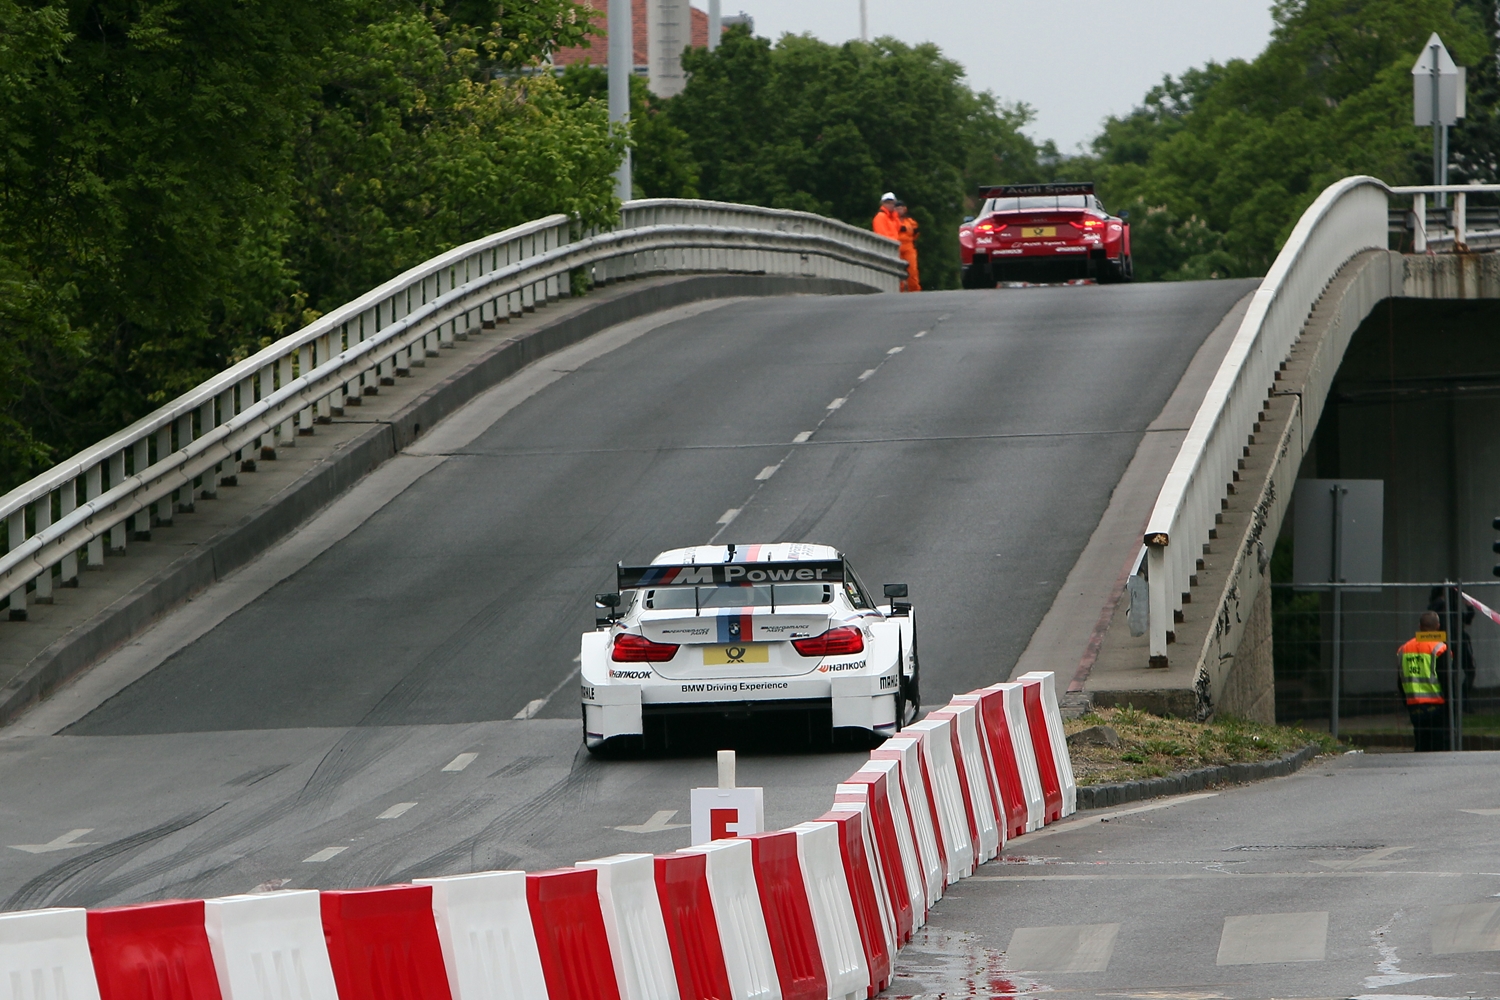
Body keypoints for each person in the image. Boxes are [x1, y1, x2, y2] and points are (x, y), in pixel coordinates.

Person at [1398, 611, 1450, 752]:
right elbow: (1447, 680)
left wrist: (1407, 702)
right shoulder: (1440, 648)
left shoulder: (1404, 649)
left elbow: (1400, 680)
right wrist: (1452, 704)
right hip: (1437, 706)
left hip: (1415, 705)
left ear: (1419, 626)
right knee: (1440, 746)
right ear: (1438, 626)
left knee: (1421, 744)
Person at [1427, 585, 1477, 712]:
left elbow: (1466, 619)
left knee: (1469, 671)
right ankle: (1454, 704)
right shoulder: (1438, 606)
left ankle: (1462, 701)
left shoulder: (1452, 607)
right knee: (1451, 673)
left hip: (1460, 642)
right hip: (1447, 644)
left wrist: (1468, 605)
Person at [896, 201, 921, 292]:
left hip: (908, 247)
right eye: (897, 209)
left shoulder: (911, 222)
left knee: (912, 271)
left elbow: (915, 233)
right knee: (898, 273)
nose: (899, 211)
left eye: (900, 208)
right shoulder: (892, 221)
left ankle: (915, 290)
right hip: (896, 248)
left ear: (904, 209)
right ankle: (901, 290)